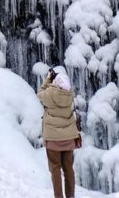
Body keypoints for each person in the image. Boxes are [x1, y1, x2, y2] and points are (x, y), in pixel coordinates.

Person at [37, 66, 82, 198]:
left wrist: (48, 79)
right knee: (68, 169)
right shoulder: (69, 95)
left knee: (55, 170)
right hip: (68, 139)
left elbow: (40, 93)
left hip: (53, 140)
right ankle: (70, 196)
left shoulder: (49, 94)